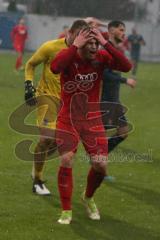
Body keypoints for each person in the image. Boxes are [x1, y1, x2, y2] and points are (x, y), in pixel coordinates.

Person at [50, 27, 132, 224]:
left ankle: (87, 197)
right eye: (90, 43)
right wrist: (74, 46)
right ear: (80, 43)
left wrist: (105, 42)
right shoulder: (68, 56)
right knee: (67, 159)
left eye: (96, 43)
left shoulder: (101, 57)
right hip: (68, 118)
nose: (94, 46)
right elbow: (55, 67)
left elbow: (126, 66)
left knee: (101, 165)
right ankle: (66, 210)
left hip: (92, 120)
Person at [24, 20, 88, 196]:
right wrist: (28, 84)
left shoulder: (84, 53)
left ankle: (37, 166)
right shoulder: (50, 47)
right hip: (47, 97)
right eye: (79, 36)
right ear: (70, 32)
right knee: (46, 139)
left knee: (55, 143)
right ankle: (37, 180)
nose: (82, 40)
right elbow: (30, 64)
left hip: (68, 102)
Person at [101, 21, 136, 156]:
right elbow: (104, 74)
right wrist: (125, 80)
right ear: (111, 31)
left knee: (123, 132)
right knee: (101, 137)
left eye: (124, 30)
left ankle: (98, 158)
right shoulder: (105, 51)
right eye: (121, 30)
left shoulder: (115, 51)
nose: (124, 33)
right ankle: (98, 164)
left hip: (114, 99)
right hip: (104, 100)